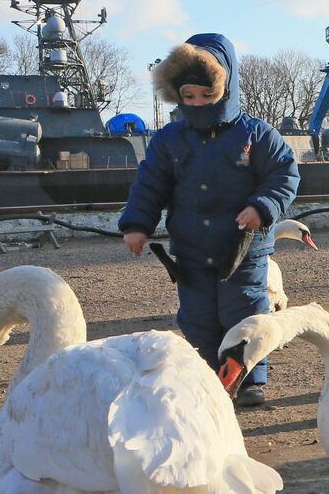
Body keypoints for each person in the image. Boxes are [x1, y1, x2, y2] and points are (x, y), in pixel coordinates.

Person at [118, 33, 300, 406]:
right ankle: (207, 374)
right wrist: (137, 224)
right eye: (189, 97)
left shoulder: (257, 134)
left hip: (242, 248)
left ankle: (248, 378)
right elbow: (150, 184)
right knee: (198, 317)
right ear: (177, 96)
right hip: (191, 250)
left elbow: (284, 174)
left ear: (226, 88)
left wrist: (262, 207)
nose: (197, 103)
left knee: (245, 311)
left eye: (206, 95)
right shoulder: (169, 139)